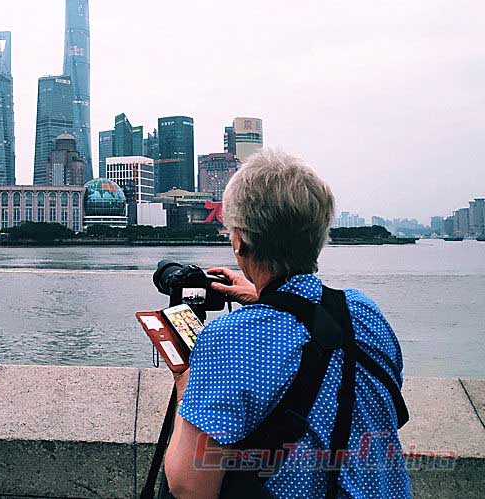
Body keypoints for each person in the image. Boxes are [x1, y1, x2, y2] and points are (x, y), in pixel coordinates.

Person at [164, 150, 410, 499]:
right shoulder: (364, 312)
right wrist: (270, 301)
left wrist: (186, 382)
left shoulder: (229, 338)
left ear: (239, 240)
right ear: (319, 235)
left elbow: (189, 487)